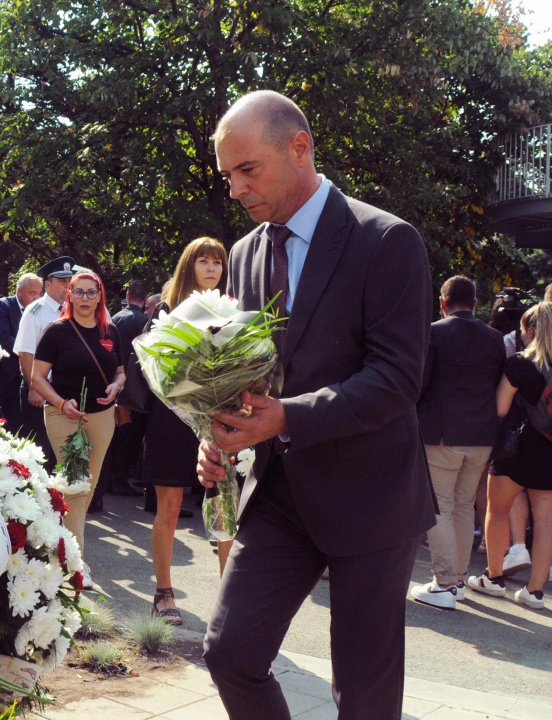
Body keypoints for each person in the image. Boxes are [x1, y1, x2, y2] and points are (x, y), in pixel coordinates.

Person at [196, 90, 436, 720]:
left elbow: (397, 378)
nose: (237, 188)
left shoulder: (386, 240)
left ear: (299, 148)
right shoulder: (245, 254)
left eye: (248, 169)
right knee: (229, 654)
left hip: (373, 499)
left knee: (363, 696)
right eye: (229, 175)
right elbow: (247, 372)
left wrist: (288, 416)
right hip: (280, 496)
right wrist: (215, 433)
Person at [409, 276, 504, 610]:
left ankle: (445, 583)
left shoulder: (434, 333)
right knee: (464, 508)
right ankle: (458, 581)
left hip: (442, 433)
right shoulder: (495, 339)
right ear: (476, 303)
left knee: (442, 506)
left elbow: (420, 383)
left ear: (442, 302)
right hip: (482, 436)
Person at [146, 238, 228, 625]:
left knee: (224, 512)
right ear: (189, 266)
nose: (212, 268)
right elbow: (153, 371)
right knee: (172, 508)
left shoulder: (231, 310)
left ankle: (230, 604)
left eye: (218, 262)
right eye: (204, 261)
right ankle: (163, 593)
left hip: (218, 422)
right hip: (172, 421)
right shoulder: (166, 311)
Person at [31, 270, 125, 585]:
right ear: (70, 295)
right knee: (75, 487)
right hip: (64, 416)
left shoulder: (111, 330)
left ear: (100, 296)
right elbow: (37, 377)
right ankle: (75, 567)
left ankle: (59, 548)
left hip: (102, 416)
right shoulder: (56, 331)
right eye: (79, 292)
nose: (85, 298)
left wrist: (116, 386)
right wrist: (60, 404)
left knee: (88, 488)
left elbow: (121, 372)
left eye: (91, 292)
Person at [468, 301, 552, 609]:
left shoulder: (519, 363)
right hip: (549, 455)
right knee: (545, 521)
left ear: (531, 330)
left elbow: (500, 409)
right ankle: (535, 592)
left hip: (515, 450)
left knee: (497, 510)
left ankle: (494, 578)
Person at [13, 257, 77, 468]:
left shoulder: (76, 309)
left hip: (66, 390)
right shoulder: (35, 311)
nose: (68, 284)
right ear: (47, 284)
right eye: (62, 281)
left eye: (69, 280)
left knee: (64, 450)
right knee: (40, 453)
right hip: (40, 389)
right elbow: (25, 353)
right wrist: (34, 388)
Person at [98, 280, 149, 502]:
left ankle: (109, 479)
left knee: (114, 435)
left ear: (127, 296)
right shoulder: (144, 321)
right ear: (145, 298)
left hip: (112, 381)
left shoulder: (115, 318)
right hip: (133, 388)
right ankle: (119, 480)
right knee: (127, 436)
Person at [0, 273, 43, 435]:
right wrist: (30, 352)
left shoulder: (38, 311)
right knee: (9, 430)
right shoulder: (2, 306)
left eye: (40, 293)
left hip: (27, 379)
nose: (37, 297)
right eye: (32, 293)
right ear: (19, 292)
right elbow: (2, 338)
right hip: (6, 381)